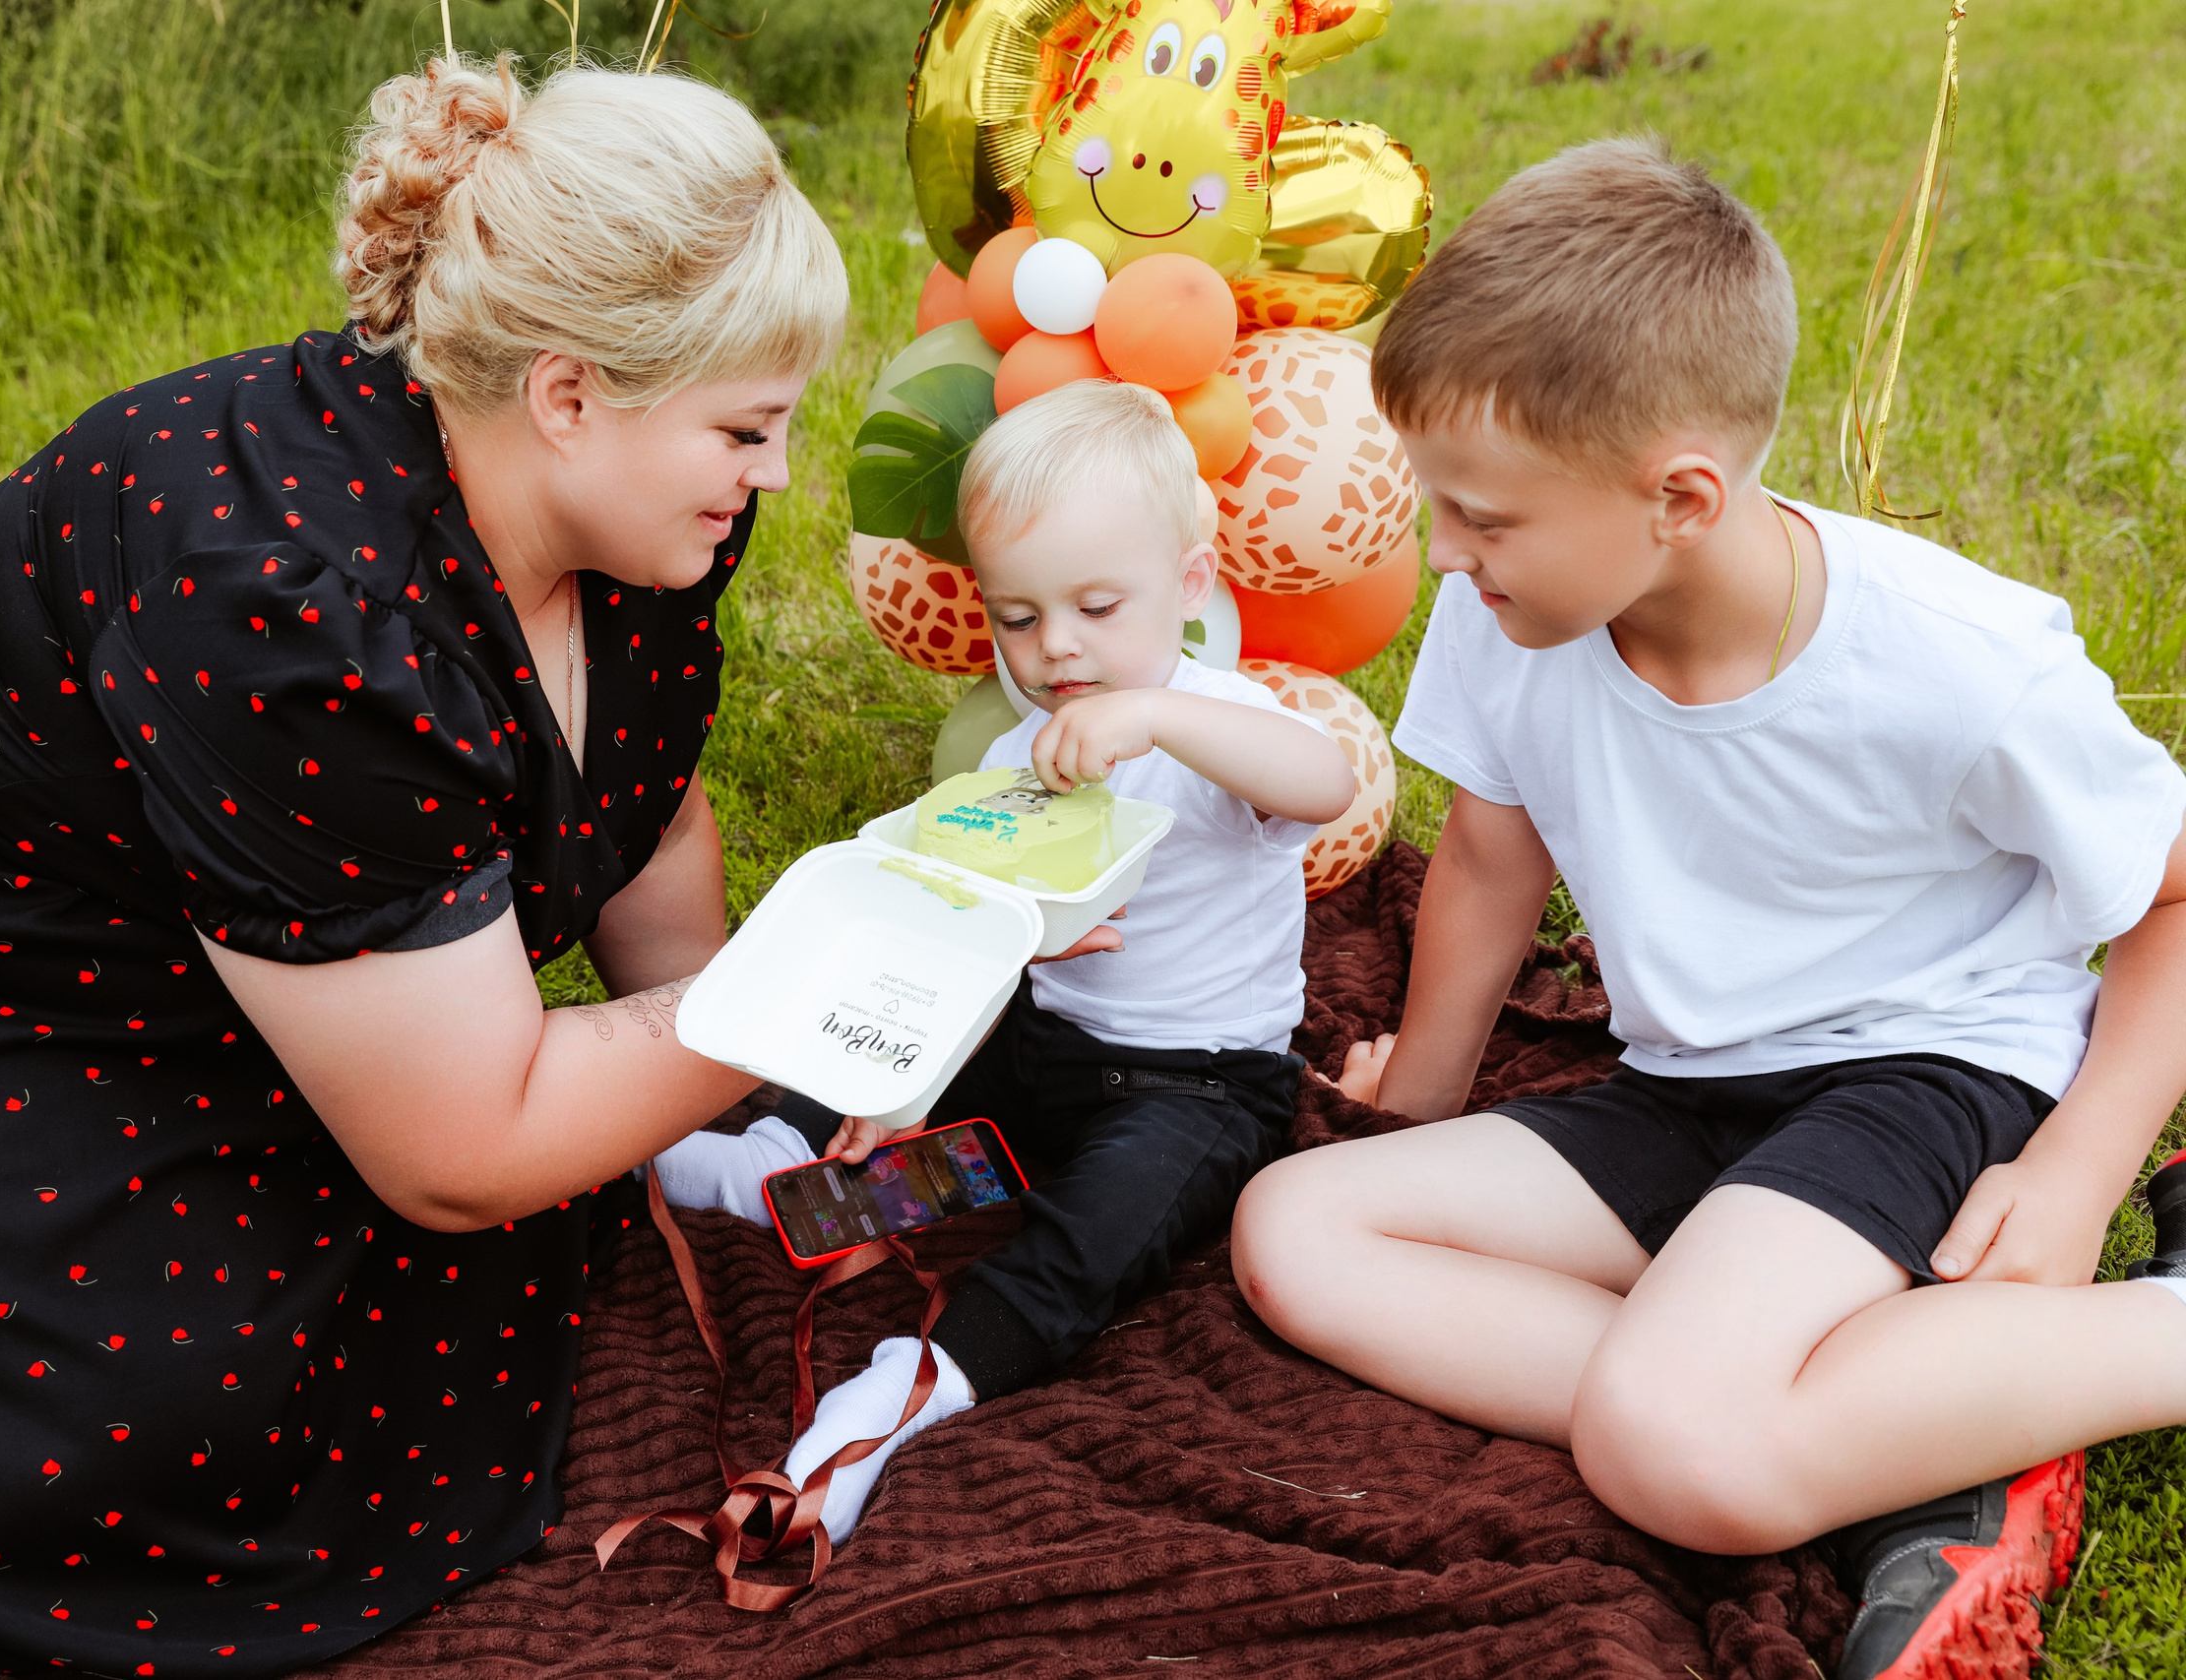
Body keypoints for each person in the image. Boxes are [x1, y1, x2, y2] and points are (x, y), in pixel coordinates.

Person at [0, 54, 843, 1675]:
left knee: (431, 1265)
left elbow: (648, 802)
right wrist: (802, 992)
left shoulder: (638, 507)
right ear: (570, 395)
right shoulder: (297, 606)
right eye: (749, 430)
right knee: (123, 1422)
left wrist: (751, 1109)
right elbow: (461, 1149)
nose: (774, 474)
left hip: (233, 928)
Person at [1228, 138, 2186, 1680]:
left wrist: (2080, 1167)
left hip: (1925, 1072)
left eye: (1478, 517)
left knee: (1679, 1453)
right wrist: (1416, 1089)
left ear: (1678, 494)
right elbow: (1489, 853)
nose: (1442, 555)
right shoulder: (1525, 603)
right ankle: (1910, 1411)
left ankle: (2146, 1338)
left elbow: (2177, 898)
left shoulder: (1955, 664)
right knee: (1300, 1228)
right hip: (1689, 1083)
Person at [655, 380, 1361, 1542]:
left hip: (1199, 1083)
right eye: (1020, 618)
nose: (1057, 649)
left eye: (1096, 606)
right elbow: (978, 932)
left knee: (1093, 1232)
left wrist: (1164, 720)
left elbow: (1321, 782)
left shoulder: (1213, 719)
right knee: (926, 1086)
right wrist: (908, 1083)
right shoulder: (1032, 743)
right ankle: (785, 1170)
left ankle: (911, 1384)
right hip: (1049, 1044)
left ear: (1189, 587)